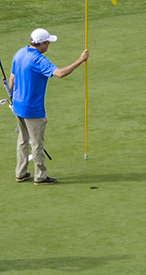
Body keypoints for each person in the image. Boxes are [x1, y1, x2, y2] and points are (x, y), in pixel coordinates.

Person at [7, 27, 88, 183]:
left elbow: (12, 79)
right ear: (42, 44)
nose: (48, 46)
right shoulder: (39, 60)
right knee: (37, 143)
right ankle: (40, 176)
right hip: (32, 109)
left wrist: (12, 97)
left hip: (18, 105)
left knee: (23, 140)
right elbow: (60, 73)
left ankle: (20, 172)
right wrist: (80, 60)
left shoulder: (19, 53)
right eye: (48, 43)